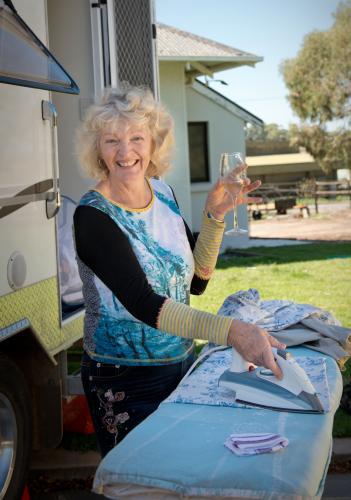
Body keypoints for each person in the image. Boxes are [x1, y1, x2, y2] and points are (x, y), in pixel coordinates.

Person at [73, 84, 285, 457]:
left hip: (181, 364)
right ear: (97, 150)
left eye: (137, 137)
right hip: (123, 378)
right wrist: (233, 332)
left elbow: (196, 282)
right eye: (111, 141)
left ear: (153, 144)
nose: (126, 152)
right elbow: (143, 301)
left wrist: (215, 215)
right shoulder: (92, 215)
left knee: (183, 472)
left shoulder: (164, 194)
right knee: (142, 481)